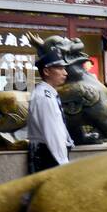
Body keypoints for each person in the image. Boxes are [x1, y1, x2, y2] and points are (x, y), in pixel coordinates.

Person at [26, 44, 74, 173]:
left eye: (64, 68)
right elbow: (53, 133)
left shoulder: (49, 94)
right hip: (48, 157)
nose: (65, 73)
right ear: (46, 71)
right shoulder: (44, 97)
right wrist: (63, 163)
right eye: (59, 68)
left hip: (50, 155)